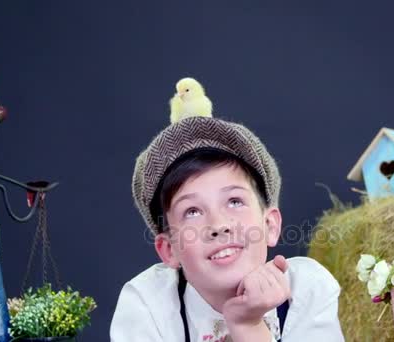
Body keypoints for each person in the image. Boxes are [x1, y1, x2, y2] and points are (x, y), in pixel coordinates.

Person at [110, 112, 345, 341]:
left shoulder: (306, 289)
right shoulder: (147, 305)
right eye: (192, 212)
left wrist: (249, 326)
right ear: (170, 249)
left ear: (269, 225)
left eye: (235, 201)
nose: (219, 225)